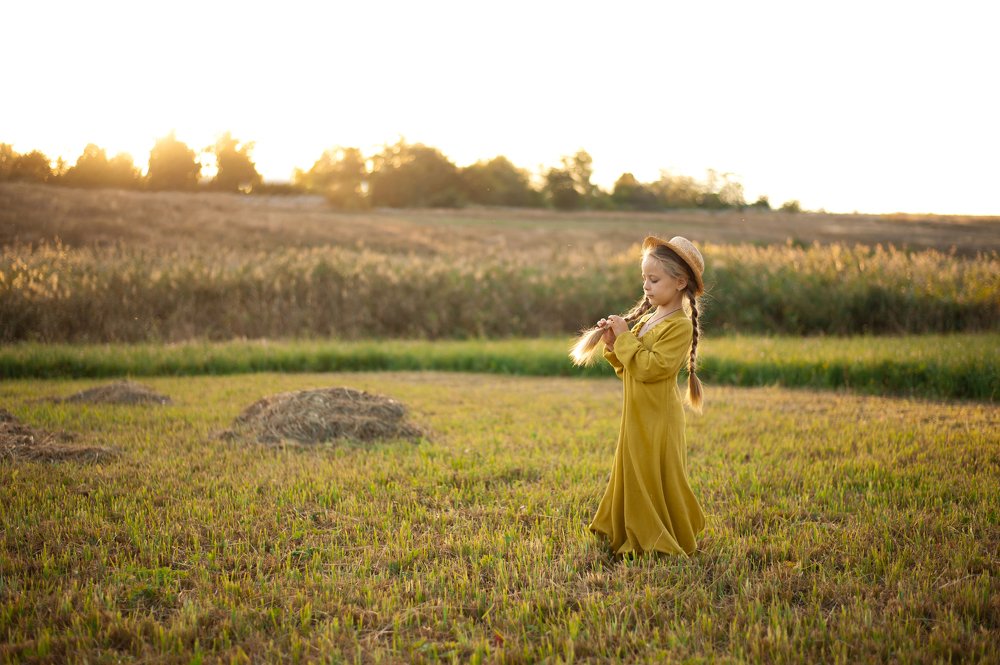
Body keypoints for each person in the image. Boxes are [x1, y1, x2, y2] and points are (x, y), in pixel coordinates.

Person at [569, 235, 707, 558]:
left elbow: (651, 368)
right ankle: (627, 530)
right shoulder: (648, 318)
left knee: (654, 477)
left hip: (658, 419)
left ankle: (658, 538)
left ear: (680, 282)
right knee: (633, 473)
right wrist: (612, 344)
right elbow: (630, 370)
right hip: (636, 415)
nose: (646, 286)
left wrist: (626, 339)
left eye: (654, 279)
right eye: (643, 278)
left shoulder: (679, 326)